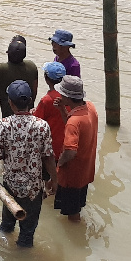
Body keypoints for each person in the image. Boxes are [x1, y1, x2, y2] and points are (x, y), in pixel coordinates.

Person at [0, 80, 56, 248]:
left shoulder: (3, 125)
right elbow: (48, 157)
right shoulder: (42, 126)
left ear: (10, 102)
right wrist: (54, 180)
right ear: (30, 101)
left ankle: (2, 252)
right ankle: (23, 260)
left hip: (10, 186)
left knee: (6, 224)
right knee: (27, 232)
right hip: (33, 189)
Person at [53, 76, 98, 222]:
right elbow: (76, 129)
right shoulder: (90, 108)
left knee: (72, 215)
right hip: (85, 170)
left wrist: (58, 165)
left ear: (66, 96)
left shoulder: (74, 122)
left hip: (72, 176)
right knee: (77, 207)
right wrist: (62, 110)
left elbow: (70, 151)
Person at [32, 62, 68, 166]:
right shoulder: (69, 96)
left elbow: (35, 123)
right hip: (66, 144)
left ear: (46, 78)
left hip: (51, 147)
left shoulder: (46, 100)